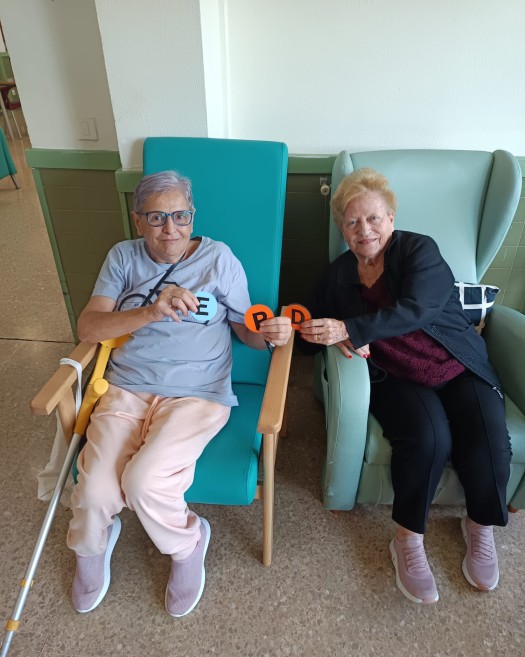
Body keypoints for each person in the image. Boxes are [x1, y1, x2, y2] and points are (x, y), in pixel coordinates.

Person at [67, 170, 292, 617]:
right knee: (93, 491)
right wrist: (151, 311)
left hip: (197, 392)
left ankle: (188, 543)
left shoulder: (219, 259)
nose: (170, 228)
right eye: (156, 217)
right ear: (138, 220)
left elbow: (246, 330)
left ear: (193, 216)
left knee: (144, 481)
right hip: (127, 387)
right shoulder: (122, 257)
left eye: (180, 215)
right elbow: (89, 328)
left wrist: (269, 334)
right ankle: (92, 547)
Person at [299, 168, 511, 604]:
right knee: (428, 439)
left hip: (456, 363)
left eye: (373, 218)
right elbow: (309, 323)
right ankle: (408, 539)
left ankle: (480, 525)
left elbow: (419, 308)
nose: (364, 230)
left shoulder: (419, 250)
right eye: (353, 222)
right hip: (396, 375)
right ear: (343, 229)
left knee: (489, 436)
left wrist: (350, 329)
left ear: (391, 219)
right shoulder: (338, 275)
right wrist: (295, 328)